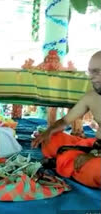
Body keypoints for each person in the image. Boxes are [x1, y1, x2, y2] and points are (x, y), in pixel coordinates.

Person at [32, 51, 101, 188]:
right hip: (96, 145)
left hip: (97, 157)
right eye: (91, 72)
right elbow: (65, 121)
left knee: (97, 170)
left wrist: (93, 156)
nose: (92, 78)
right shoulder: (91, 97)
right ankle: (68, 163)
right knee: (51, 139)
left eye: (97, 72)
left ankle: (63, 163)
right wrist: (49, 131)